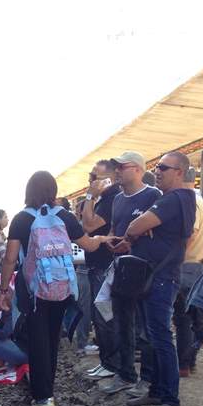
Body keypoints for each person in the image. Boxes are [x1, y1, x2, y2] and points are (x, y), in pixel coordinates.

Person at [0, 170, 112, 406]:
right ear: (53, 192)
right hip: (61, 286)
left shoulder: (21, 219)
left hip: (33, 290)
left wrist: (2, 288)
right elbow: (89, 245)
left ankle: (43, 396)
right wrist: (102, 239)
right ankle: (48, 390)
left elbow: (9, 259)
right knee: (52, 337)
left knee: (37, 338)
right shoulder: (65, 216)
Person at [119, 152, 196, 406]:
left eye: (163, 167)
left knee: (162, 338)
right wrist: (142, 231)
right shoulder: (174, 199)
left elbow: (134, 225)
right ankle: (156, 390)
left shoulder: (175, 199)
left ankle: (171, 400)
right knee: (152, 337)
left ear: (179, 172)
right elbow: (139, 229)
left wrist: (140, 229)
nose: (158, 171)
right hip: (154, 275)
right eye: (157, 167)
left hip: (161, 277)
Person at [99, 152, 162, 396]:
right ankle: (125, 373)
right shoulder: (117, 200)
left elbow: (155, 230)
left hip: (145, 270)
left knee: (146, 328)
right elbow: (116, 228)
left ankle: (146, 378)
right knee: (123, 323)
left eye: (121, 167)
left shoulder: (152, 195)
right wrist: (111, 240)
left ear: (136, 169)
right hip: (122, 269)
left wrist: (129, 242)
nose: (116, 172)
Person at [80, 159, 123, 372]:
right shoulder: (104, 199)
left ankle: (112, 364)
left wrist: (89, 195)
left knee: (106, 316)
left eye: (94, 176)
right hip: (98, 268)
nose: (90, 180)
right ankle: (107, 362)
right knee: (100, 316)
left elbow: (87, 225)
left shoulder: (111, 199)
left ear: (107, 179)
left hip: (104, 268)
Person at [174, 168, 203, 377]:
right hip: (195, 265)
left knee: (183, 319)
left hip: (186, 266)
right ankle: (186, 361)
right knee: (188, 318)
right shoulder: (202, 203)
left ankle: (184, 363)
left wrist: (172, 256)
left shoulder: (192, 203)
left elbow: (190, 234)